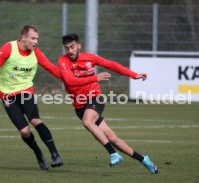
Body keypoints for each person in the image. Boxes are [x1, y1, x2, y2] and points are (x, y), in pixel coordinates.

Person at [57, 33, 158, 174]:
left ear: (79, 45)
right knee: (112, 138)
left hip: (95, 99)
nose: (70, 51)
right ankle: (143, 159)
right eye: (67, 48)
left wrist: (134, 75)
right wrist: (95, 78)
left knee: (87, 122)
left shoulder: (89, 57)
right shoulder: (63, 61)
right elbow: (70, 82)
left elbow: (111, 65)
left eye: (73, 47)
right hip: (79, 105)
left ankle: (113, 154)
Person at [0, 25, 63, 170]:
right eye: (33, 38)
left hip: (26, 92)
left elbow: (53, 69)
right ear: (23, 37)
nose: (36, 42)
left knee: (36, 120)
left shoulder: (36, 53)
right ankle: (38, 152)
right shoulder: (8, 49)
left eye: (37, 38)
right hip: (7, 95)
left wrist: (73, 79)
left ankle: (55, 154)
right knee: (25, 131)